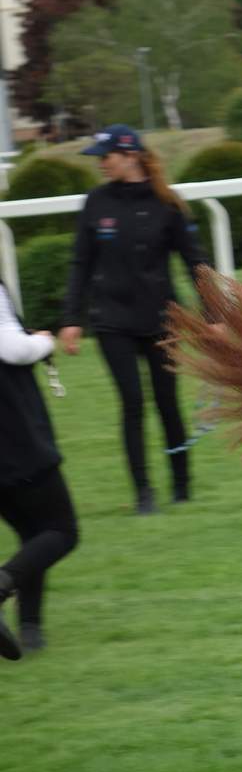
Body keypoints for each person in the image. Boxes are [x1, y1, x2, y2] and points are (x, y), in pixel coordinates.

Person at [57, 124, 211, 513]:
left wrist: (213, 316)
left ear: (130, 156)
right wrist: (71, 319)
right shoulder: (95, 202)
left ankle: (181, 486)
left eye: (105, 157)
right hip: (111, 321)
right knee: (132, 402)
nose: (100, 164)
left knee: (167, 403)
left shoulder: (168, 204)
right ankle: (144, 494)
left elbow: (196, 263)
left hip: (162, 320)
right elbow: (80, 264)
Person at [0, 281, 78, 658]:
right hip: (12, 432)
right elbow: (11, 348)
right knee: (61, 530)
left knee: (33, 533)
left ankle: (31, 629)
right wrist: (43, 343)